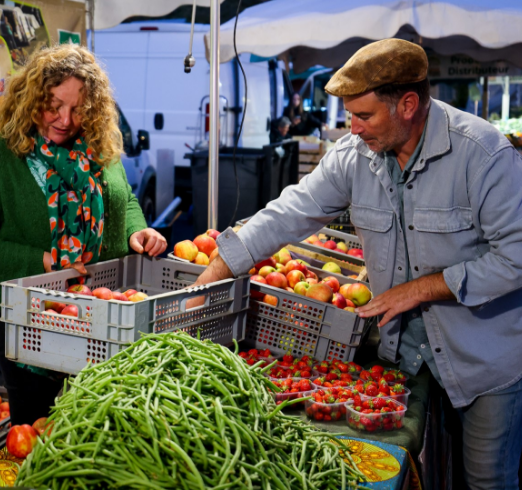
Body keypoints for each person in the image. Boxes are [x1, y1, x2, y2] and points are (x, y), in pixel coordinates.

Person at [193, 39, 522, 489]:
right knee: (428, 476)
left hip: (484, 360)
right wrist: (214, 272)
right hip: (408, 362)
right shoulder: (355, 156)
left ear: (408, 104)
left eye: (363, 115)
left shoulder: (482, 155)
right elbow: (289, 212)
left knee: (486, 482)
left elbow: (517, 257)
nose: (353, 128)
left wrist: (421, 288)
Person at [0, 44, 167, 425]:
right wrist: (42, 263)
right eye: (54, 105)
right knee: (39, 433)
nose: (65, 119)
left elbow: (123, 198)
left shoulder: (98, 150)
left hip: (104, 320)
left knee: (102, 432)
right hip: (30, 327)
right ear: (31, 101)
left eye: (78, 108)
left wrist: (137, 229)